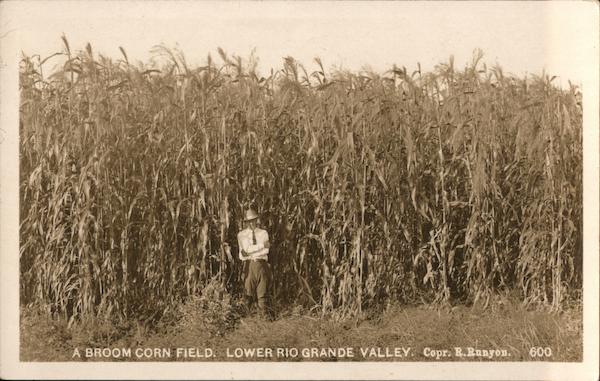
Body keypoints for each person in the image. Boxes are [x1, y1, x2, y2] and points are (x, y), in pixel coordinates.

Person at [237, 209, 272, 319]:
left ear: (257, 220)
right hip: (249, 265)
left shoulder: (263, 233)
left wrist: (250, 251)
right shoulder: (242, 235)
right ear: (246, 222)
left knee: (262, 294)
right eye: (249, 221)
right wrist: (261, 246)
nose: (251, 223)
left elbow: (266, 251)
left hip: (261, 265)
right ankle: (246, 321)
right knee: (248, 293)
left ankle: (263, 319)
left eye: (253, 220)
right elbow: (245, 251)